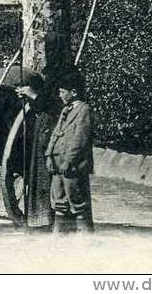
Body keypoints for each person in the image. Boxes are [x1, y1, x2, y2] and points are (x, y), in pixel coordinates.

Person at [45, 68, 95, 233]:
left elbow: (80, 139)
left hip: (72, 165)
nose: (60, 95)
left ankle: (85, 236)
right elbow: (56, 133)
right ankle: (59, 234)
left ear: (73, 92)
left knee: (77, 200)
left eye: (62, 92)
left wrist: (68, 161)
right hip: (58, 162)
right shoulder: (65, 110)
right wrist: (49, 156)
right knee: (59, 199)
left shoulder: (84, 110)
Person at [14, 68, 60, 232]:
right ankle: (39, 219)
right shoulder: (52, 85)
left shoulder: (62, 86)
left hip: (51, 137)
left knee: (45, 180)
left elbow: (54, 107)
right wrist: (30, 98)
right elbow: (42, 105)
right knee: (37, 178)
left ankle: (46, 219)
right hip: (41, 134)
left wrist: (33, 95)